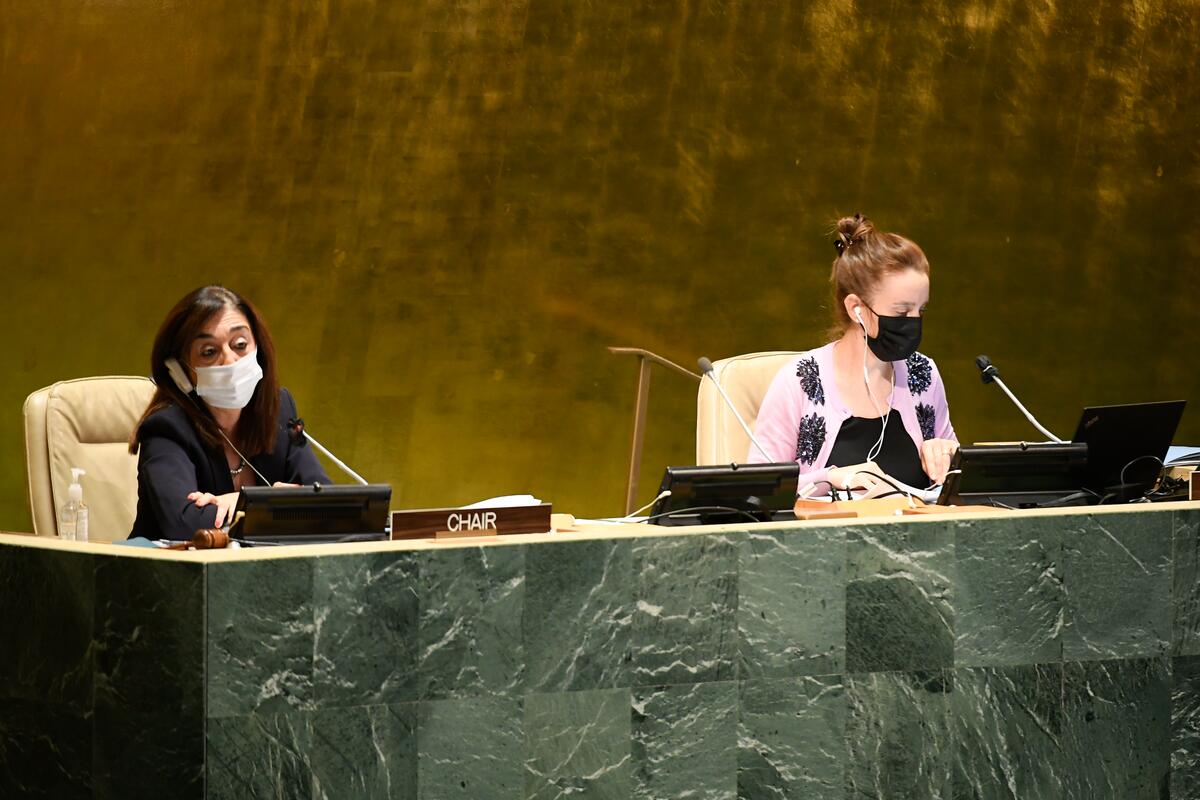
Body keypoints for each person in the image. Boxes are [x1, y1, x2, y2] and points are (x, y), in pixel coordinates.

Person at [749, 213, 958, 497]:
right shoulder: (799, 379)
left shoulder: (924, 374)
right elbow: (759, 489)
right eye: (901, 311)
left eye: (921, 311)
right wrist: (831, 478)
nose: (913, 322)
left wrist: (948, 457)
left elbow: (955, 488)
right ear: (855, 308)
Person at [128, 285, 329, 539]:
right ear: (180, 371)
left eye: (240, 344)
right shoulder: (166, 428)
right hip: (170, 574)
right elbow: (184, 525)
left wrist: (241, 502)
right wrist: (271, 503)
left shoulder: (278, 411)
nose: (230, 360)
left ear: (259, 349)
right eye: (209, 352)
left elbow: (324, 503)